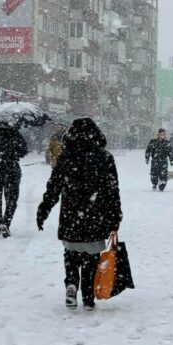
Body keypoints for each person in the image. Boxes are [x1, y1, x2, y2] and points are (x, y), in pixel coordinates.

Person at [36, 118, 123, 311]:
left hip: (71, 215)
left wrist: (44, 209)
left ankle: (71, 283)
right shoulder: (105, 158)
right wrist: (115, 216)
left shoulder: (66, 157)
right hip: (95, 215)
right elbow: (112, 190)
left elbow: (54, 186)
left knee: (71, 253)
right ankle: (88, 296)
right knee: (92, 258)